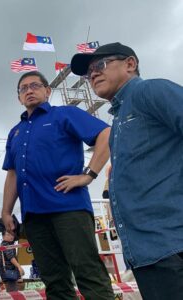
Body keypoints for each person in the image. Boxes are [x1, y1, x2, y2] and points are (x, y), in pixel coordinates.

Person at [70, 42, 183, 299]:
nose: (93, 75)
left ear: (130, 64)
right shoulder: (120, 119)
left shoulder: (150, 90)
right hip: (147, 251)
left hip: (171, 243)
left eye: (99, 65)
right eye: (88, 74)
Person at [1, 71, 114, 299]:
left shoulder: (65, 115)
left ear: (47, 90)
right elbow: (12, 174)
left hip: (69, 209)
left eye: (35, 85)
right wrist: (5, 211)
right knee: (54, 281)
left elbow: (106, 133)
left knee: (87, 272)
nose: (29, 90)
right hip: (34, 216)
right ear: (19, 97)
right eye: (24, 88)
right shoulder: (15, 132)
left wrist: (88, 175)